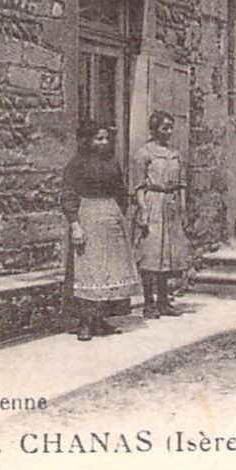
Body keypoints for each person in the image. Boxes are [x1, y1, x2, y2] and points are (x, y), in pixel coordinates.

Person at [62, 122, 141, 342]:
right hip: (87, 217)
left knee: (110, 269)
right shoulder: (77, 165)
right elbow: (68, 194)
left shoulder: (112, 164)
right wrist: (75, 224)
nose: (104, 143)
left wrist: (118, 216)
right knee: (88, 269)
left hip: (111, 219)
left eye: (106, 139)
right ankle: (85, 322)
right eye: (99, 139)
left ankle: (101, 320)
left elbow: (121, 192)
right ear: (88, 140)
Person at [132, 111, 188, 319]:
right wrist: (143, 210)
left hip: (171, 205)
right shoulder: (144, 153)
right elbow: (138, 186)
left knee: (168, 255)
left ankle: (164, 301)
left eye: (170, 128)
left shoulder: (175, 154)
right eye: (165, 128)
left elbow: (182, 184)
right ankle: (148, 303)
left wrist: (182, 209)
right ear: (154, 129)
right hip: (153, 203)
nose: (169, 132)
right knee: (151, 253)